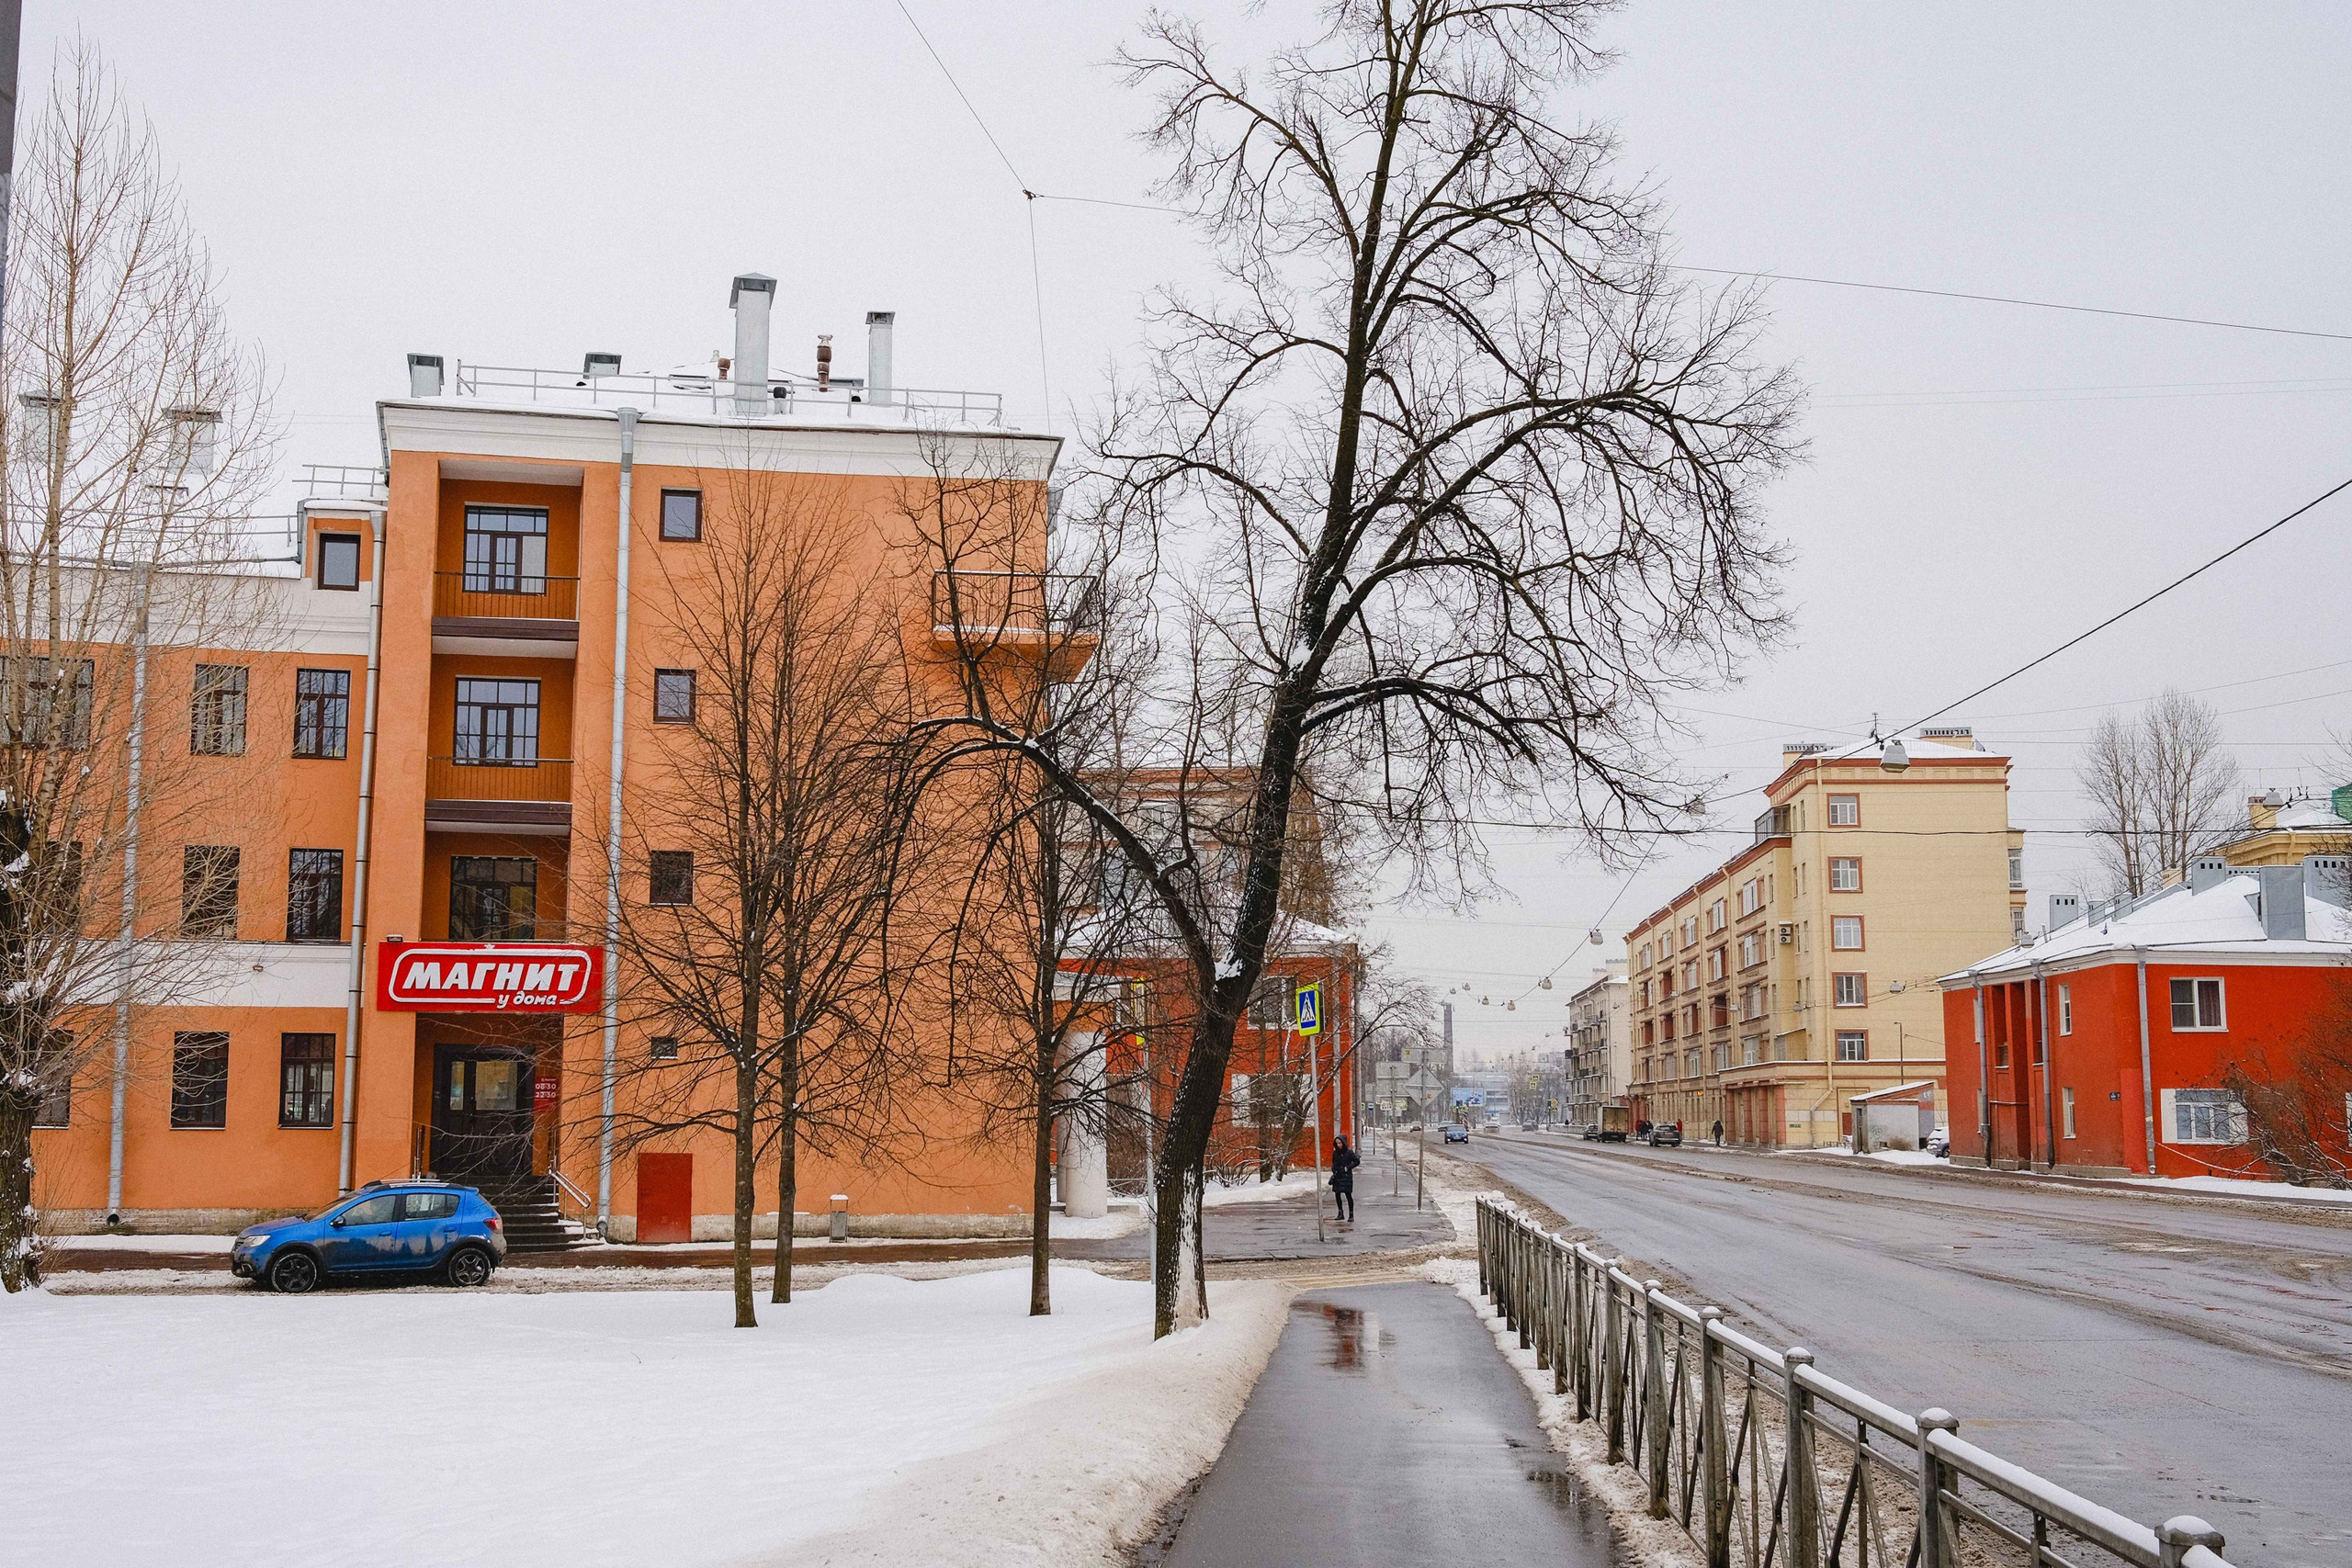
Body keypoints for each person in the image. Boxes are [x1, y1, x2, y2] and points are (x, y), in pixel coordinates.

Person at [1330, 1134, 1361, 1223]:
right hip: (1338, 1175)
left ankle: (1351, 1214)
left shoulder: (1349, 1153)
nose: (1339, 1145)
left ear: (1343, 1143)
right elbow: (1333, 1163)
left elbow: (1357, 1161)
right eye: (1337, 1143)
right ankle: (1340, 1213)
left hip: (1346, 1176)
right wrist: (1334, 1170)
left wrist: (1348, 1168)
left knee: (1348, 1195)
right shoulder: (1335, 1153)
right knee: (1337, 1194)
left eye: (1340, 1143)